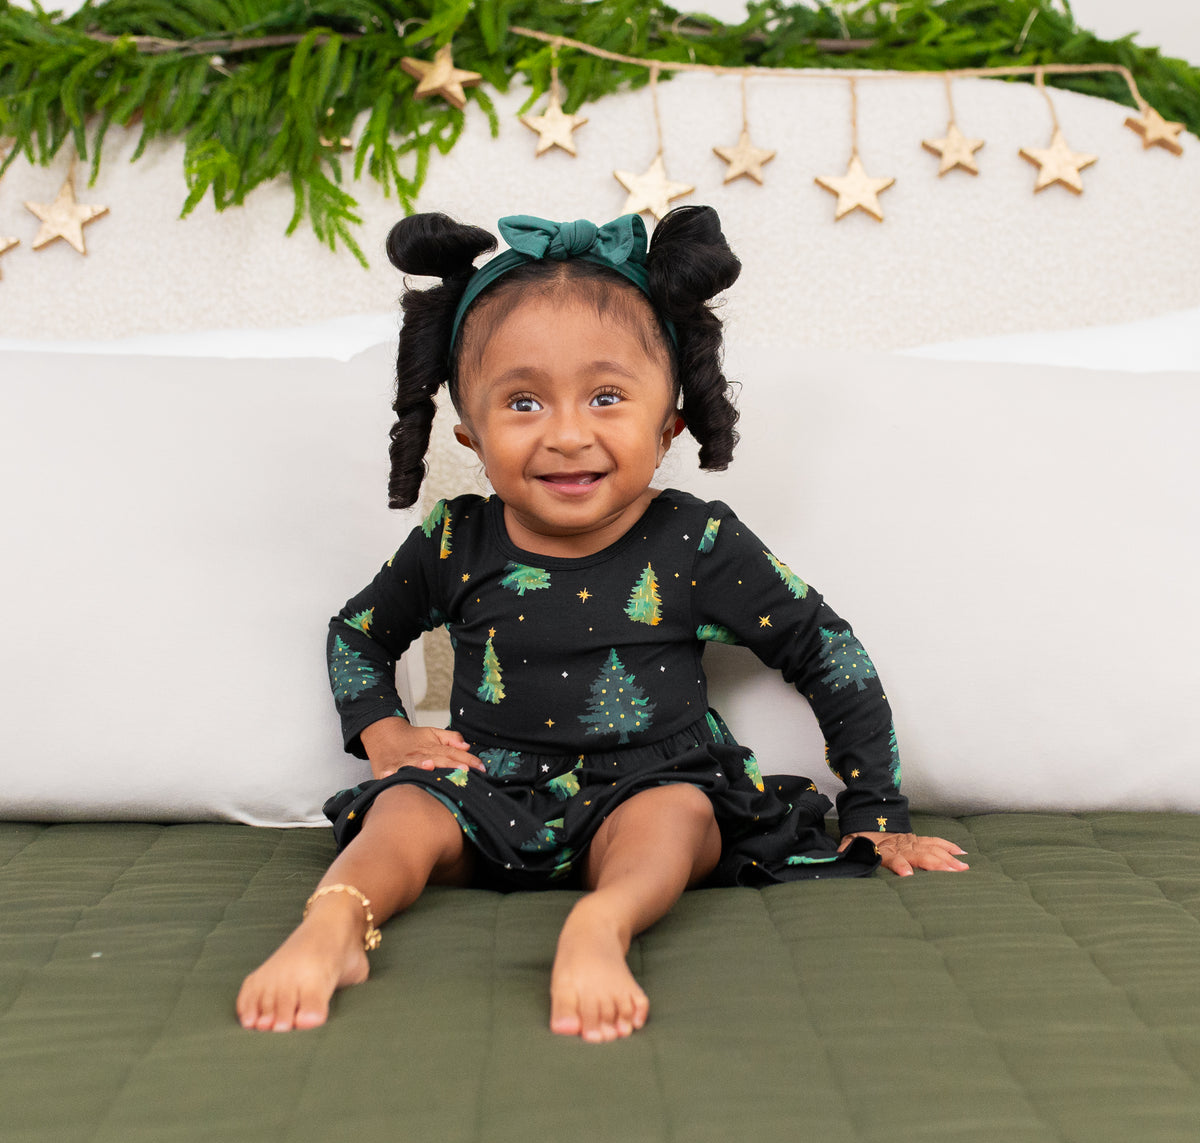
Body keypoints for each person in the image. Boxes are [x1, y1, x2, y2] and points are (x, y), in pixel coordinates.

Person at [237, 206, 967, 1041]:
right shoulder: (454, 539)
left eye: (607, 396)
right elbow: (358, 631)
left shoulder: (697, 541)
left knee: (677, 817)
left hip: (649, 783)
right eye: (523, 402)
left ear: (669, 425)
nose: (568, 434)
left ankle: (602, 924)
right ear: (470, 435)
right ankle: (336, 919)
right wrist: (384, 733)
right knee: (400, 810)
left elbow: (823, 649)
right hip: (489, 784)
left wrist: (877, 811)